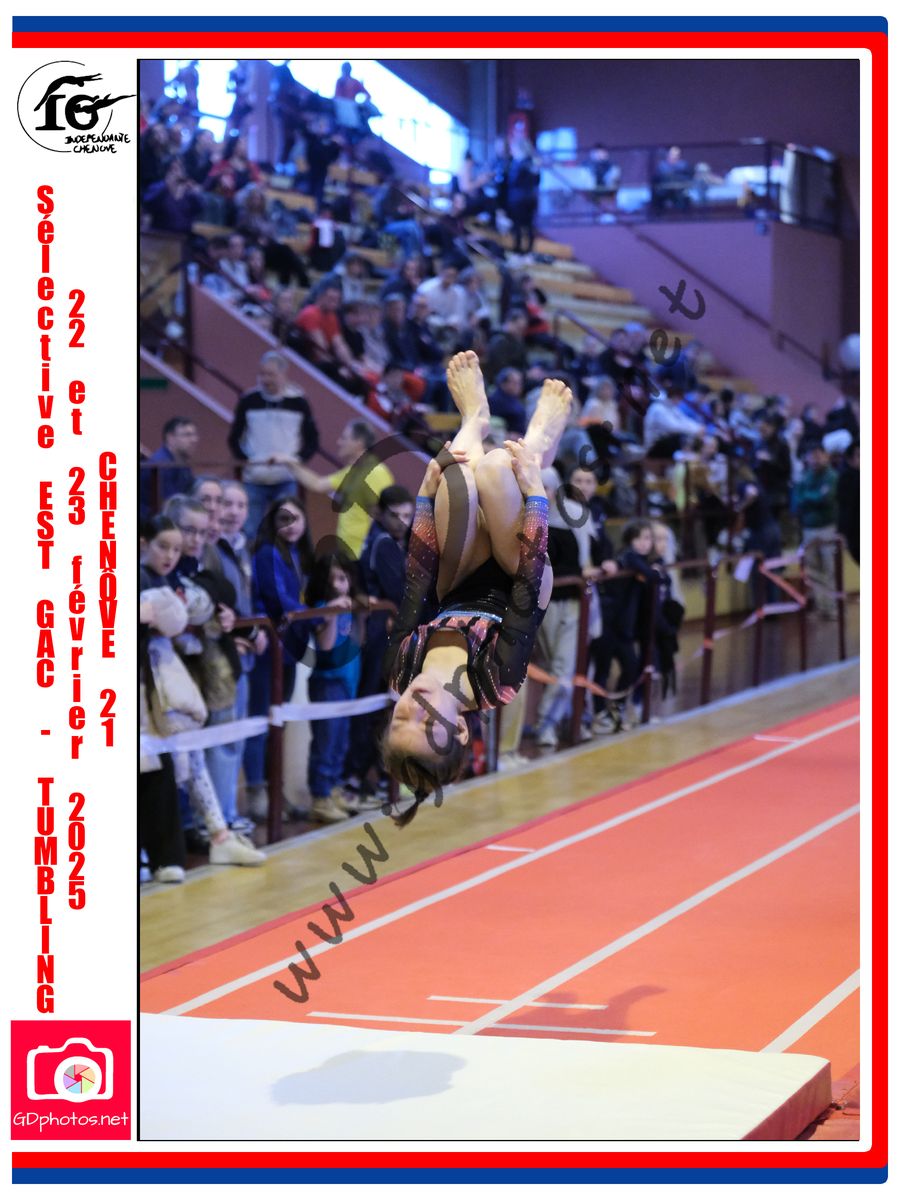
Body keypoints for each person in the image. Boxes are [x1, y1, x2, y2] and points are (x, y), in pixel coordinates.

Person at [379, 351, 572, 825]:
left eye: (401, 717)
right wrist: (537, 494)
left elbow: (418, 583)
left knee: (457, 476)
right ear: (461, 731)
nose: (415, 705)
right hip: (519, 575)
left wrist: (424, 498)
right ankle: (538, 443)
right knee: (496, 470)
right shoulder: (495, 682)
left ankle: (475, 419)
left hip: (458, 578)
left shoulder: (400, 670)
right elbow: (527, 586)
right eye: (429, 721)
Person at [244, 495, 315, 822]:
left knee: (279, 722)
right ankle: (257, 792)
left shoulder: (297, 554)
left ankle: (276, 791)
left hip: (288, 650)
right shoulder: (267, 552)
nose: (290, 526)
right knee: (262, 721)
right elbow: (279, 600)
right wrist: (313, 615)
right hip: (267, 649)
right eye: (283, 519)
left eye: (295, 518)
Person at [344, 485, 415, 808]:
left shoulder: (398, 541)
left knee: (387, 706)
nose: (402, 522)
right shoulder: (382, 544)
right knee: (373, 705)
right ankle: (355, 778)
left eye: (407, 515)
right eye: (395, 515)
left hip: (389, 635)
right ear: (380, 514)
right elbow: (400, 592)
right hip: (377, 638)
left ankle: (378, 776)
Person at [227, 351, 320, 538]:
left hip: (286, 478)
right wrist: (247, 461)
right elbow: (233, 437)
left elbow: (312, 439)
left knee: (288, 529)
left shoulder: (299, 402)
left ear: (283, 375)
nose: (265, 379)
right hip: (254, 479)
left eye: (271, 374)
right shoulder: (248, 400)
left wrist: (296, 462)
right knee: (250, 532)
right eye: (262, 374)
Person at [272, 419, 394, 560]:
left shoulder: (376, 472)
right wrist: (289, 462)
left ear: (358, 443)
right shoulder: (353, 471)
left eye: (344, 438)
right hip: (348, 554)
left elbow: (386, 514)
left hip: (362, 557)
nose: (339, 442)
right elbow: (317, 484)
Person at [304, 555, 364, 822]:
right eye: (333, 580)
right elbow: (326, 646)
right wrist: (329, 614)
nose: (339, 585)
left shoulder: (349, 606)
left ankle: (334, 788)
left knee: (341, 741)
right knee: (326, 743)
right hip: (328, 682)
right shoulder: (322, 608)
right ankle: (320, 796)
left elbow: (357, 641)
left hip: (347, 681)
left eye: (343, 578)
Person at [794, 442, 839, 619]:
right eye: (812, 456)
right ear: (806, 458)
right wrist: (813, 497)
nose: (815, 459)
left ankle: (832, 607)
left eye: (819, 455)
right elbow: (798, 501)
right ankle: (821, 607)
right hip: (809, 529)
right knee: (812, 570)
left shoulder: (831, 476)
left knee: (829, 568)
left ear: (826, 456)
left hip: (827, 528)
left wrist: (808, 497)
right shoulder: (804, 477)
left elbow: (826, 499)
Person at [140, 417, 198, 517]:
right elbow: (171, 508)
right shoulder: (160, 466)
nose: (194, 440)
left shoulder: (182, 464)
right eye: (187, 435)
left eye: (194, 435)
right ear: (170, 438)